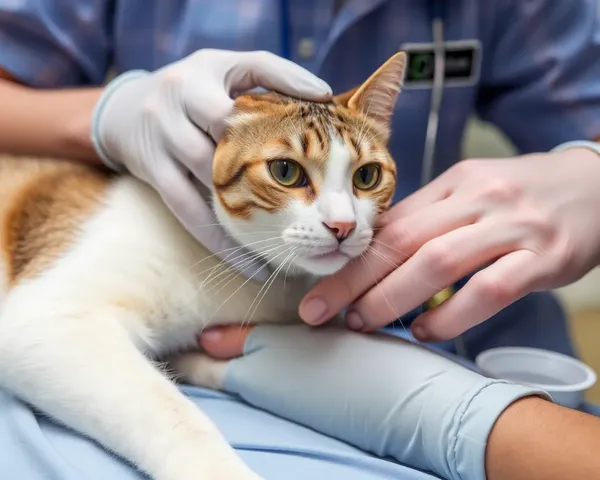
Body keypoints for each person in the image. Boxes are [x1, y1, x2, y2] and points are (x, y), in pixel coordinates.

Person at [1, 1, 600, 479]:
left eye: (366, 177)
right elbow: (33, 334)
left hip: (475, 346)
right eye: (289, 172)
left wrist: (589, 173)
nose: (342, 219)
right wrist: (106, 113)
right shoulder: (143, 234)